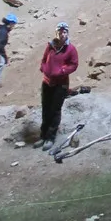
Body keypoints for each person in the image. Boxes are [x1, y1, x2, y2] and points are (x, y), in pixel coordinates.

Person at [37, 22, 78, 151]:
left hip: (60, 84)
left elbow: (74, 64)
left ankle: (50, 137)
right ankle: (43, 135)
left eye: (64, 32)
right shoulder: (50, 46)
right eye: (60, 32)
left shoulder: (70, 49)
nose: (62, 34)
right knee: (45, 108)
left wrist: (62, 71)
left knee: (55, 110)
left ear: (67, 33)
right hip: (47, 82)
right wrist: (44, 69)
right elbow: (44, 59)